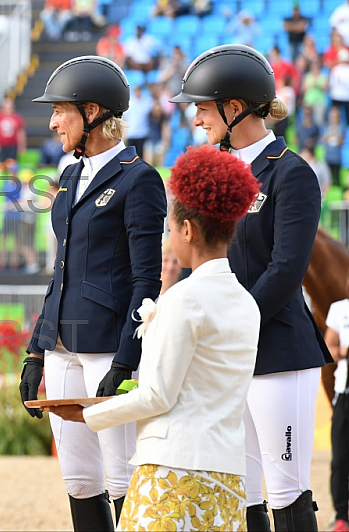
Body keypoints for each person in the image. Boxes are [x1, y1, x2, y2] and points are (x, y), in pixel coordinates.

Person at [44, 145, 261, 530]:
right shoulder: (247, 302)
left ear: (188, 230)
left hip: (173, 473)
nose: (169, 239)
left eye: (170, 229)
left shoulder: (181, 300)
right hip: (228, 478)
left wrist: (88, 413)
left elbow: (157, 396)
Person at [169, 43, 333, 531]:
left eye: (201, 106)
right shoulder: (211, 172)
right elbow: (195, 259)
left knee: (285, 490)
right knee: (238, 490)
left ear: (234, 107)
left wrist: (230, 322)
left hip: (279, 350)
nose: (197, 119)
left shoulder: (291, 172)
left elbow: (285, 269)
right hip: (226, 356)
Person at [20, 56, 167, 531]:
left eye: (60, 110)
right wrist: (36, 351)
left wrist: (126, 360)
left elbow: (147, 281)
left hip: (109, 348)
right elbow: (58, 272)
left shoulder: (138, 178)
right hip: (63, 348)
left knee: (123, 474)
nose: (52, 121)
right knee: (79, 478)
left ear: (92, 113)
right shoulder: (66, 177)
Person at [325, 279, 349, 532]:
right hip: (344, 394)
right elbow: (328, 349)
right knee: (341, 458)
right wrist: (344, 352)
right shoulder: (340, 309)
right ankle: (341, 515)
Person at [0, 96, 26, 164]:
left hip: (13, 144)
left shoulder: (17, 117)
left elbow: (20, 132)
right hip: (2, 144)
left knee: (12, 163)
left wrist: (21, 145)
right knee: (1, 163)